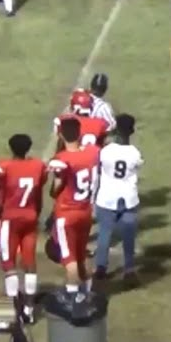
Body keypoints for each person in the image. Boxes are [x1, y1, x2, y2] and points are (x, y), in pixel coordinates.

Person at [0, 133, 47, 319]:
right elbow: (38, 196)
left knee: (9, 263)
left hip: (10, 219)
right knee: (30, 263)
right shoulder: (38, 166)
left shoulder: (4, 166)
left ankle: (13, 309)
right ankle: (29, 309)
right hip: (30, 216)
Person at [48, 118, 99, 298]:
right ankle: (88, 294)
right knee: (82, 253)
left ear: (61, 134)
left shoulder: (62, 159)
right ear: (80, 133)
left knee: (70, 259)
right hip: (85, 211)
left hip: (67, 213)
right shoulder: (92, 153)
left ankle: (74, 300)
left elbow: (56, 188)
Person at [93, 114, 142, 284]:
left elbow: (100, 169)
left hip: (106, 196)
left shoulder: (106, 151)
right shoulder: (134, 153)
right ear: (132, 131)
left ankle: (100, 267)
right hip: (128, 197)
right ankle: (129, 268)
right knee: (129, 235)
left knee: (104, 233)